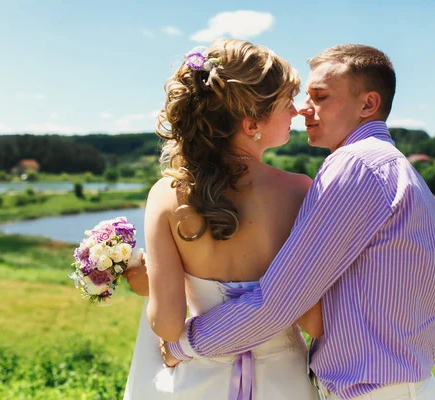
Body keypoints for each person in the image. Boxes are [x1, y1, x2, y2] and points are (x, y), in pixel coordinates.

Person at [157, 44, 435, 400]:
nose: (303, 110)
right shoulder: (394, 168)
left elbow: (278, 303)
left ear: (368, 105)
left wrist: (183, 345)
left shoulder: (355, 165)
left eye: (321, 97)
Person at [122, 39, 320, 399]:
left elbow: (167, 325)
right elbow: (314, 318)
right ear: (251, 124)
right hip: (283, 382)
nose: (296, 112)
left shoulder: (165, 195)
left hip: (198, 382)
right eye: (285, 103)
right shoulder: (300, 192)